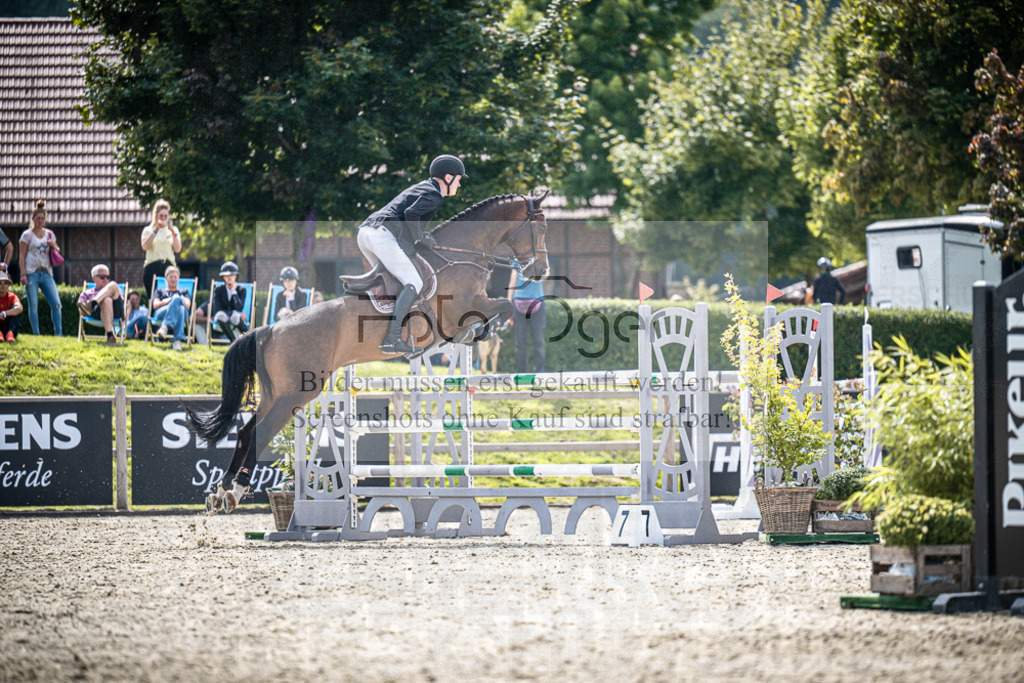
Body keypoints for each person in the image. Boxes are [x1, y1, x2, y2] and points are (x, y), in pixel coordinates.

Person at [356, 154, 467, 354]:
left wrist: (418, 239)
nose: (459, 185)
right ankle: (392, 339)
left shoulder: (424, 187)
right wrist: (420, 238)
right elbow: (411, 214)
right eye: (458, 179)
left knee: (392, 281)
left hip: (366, 233)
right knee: (414, 281)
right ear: (448, 177)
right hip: (382, 235)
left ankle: (376, 326)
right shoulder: (434, 195)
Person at [18, 200, 62, 336]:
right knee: (33, 305)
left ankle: (59, 333)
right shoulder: (27, 235)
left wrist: (53, 245)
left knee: (56, 303)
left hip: (47, 272)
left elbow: (57, 250)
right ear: (33, 218)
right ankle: (36, 333)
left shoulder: (49, 234)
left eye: (42, 218)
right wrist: (23, 274)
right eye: (38, 218)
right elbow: (21, 256)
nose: (40, 221)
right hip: (31, 273)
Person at [508, 267, 549, 373]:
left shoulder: (540, 259)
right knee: (520, 342)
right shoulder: (517, 260)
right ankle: (522, 371)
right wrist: (509, 304)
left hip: (537, 302)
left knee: (538, 340)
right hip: (518, 303)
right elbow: (512, 282)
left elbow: (546, 275)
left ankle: (539, 372)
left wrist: (543, 274)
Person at [140, 199, 182, 299]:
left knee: (168, 298)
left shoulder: (173, 230)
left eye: (165, 216)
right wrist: (155, 230)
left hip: (168, 267)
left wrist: (172, 231)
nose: (163, 218)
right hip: (152, 266)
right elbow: (145, 246)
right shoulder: (148, 230)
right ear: (156, 215)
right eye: (161, 216)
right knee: (153, 299)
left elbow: (177, 249)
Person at [76, 264, 124, 346]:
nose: (105, 279)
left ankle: (93, 303)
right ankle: (110, 337)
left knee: (113, 285)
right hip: (96, 312)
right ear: (94, 278)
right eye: (102, 277)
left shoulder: (116, 289)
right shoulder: (87, 293)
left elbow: (121, 301)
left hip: (115, 311)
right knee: (106, 300)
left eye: (107, 277)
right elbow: (82, 311)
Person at [151, 265, 192, 351]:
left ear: (178, 278)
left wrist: (175, 299)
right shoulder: (160, 291)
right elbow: (155, 305)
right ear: (166, 278)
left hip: (182, 312)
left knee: (181, 308)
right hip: (162, 312)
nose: (173, 279)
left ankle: (165, 327)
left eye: (175, 277)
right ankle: (177, 341)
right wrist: (171, 300)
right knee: (179, 307)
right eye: (171, 277)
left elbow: (188, 306)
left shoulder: (184, 292)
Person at [211, 261, 248, 342]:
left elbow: (239, 307)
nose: (229, 277)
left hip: (236, 317)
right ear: (223, 277)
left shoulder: (241, 290)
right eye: (226, 275)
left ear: (236, 276)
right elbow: (216, 309)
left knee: (235, 317)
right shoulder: (218, 290)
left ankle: (248, 338)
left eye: (231, 275)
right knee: (220, 316)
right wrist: (230, 313)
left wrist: (234, 292)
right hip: (223, 317)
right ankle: (233, 341)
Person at [0, 271, 23, 342]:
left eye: (6, 283)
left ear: (8, 285)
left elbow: (19, 308)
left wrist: (4, 313)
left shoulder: (12, 297)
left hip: (8, 326)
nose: (3, 285)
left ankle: (10, 333)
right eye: (0, 283)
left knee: (14, 310)